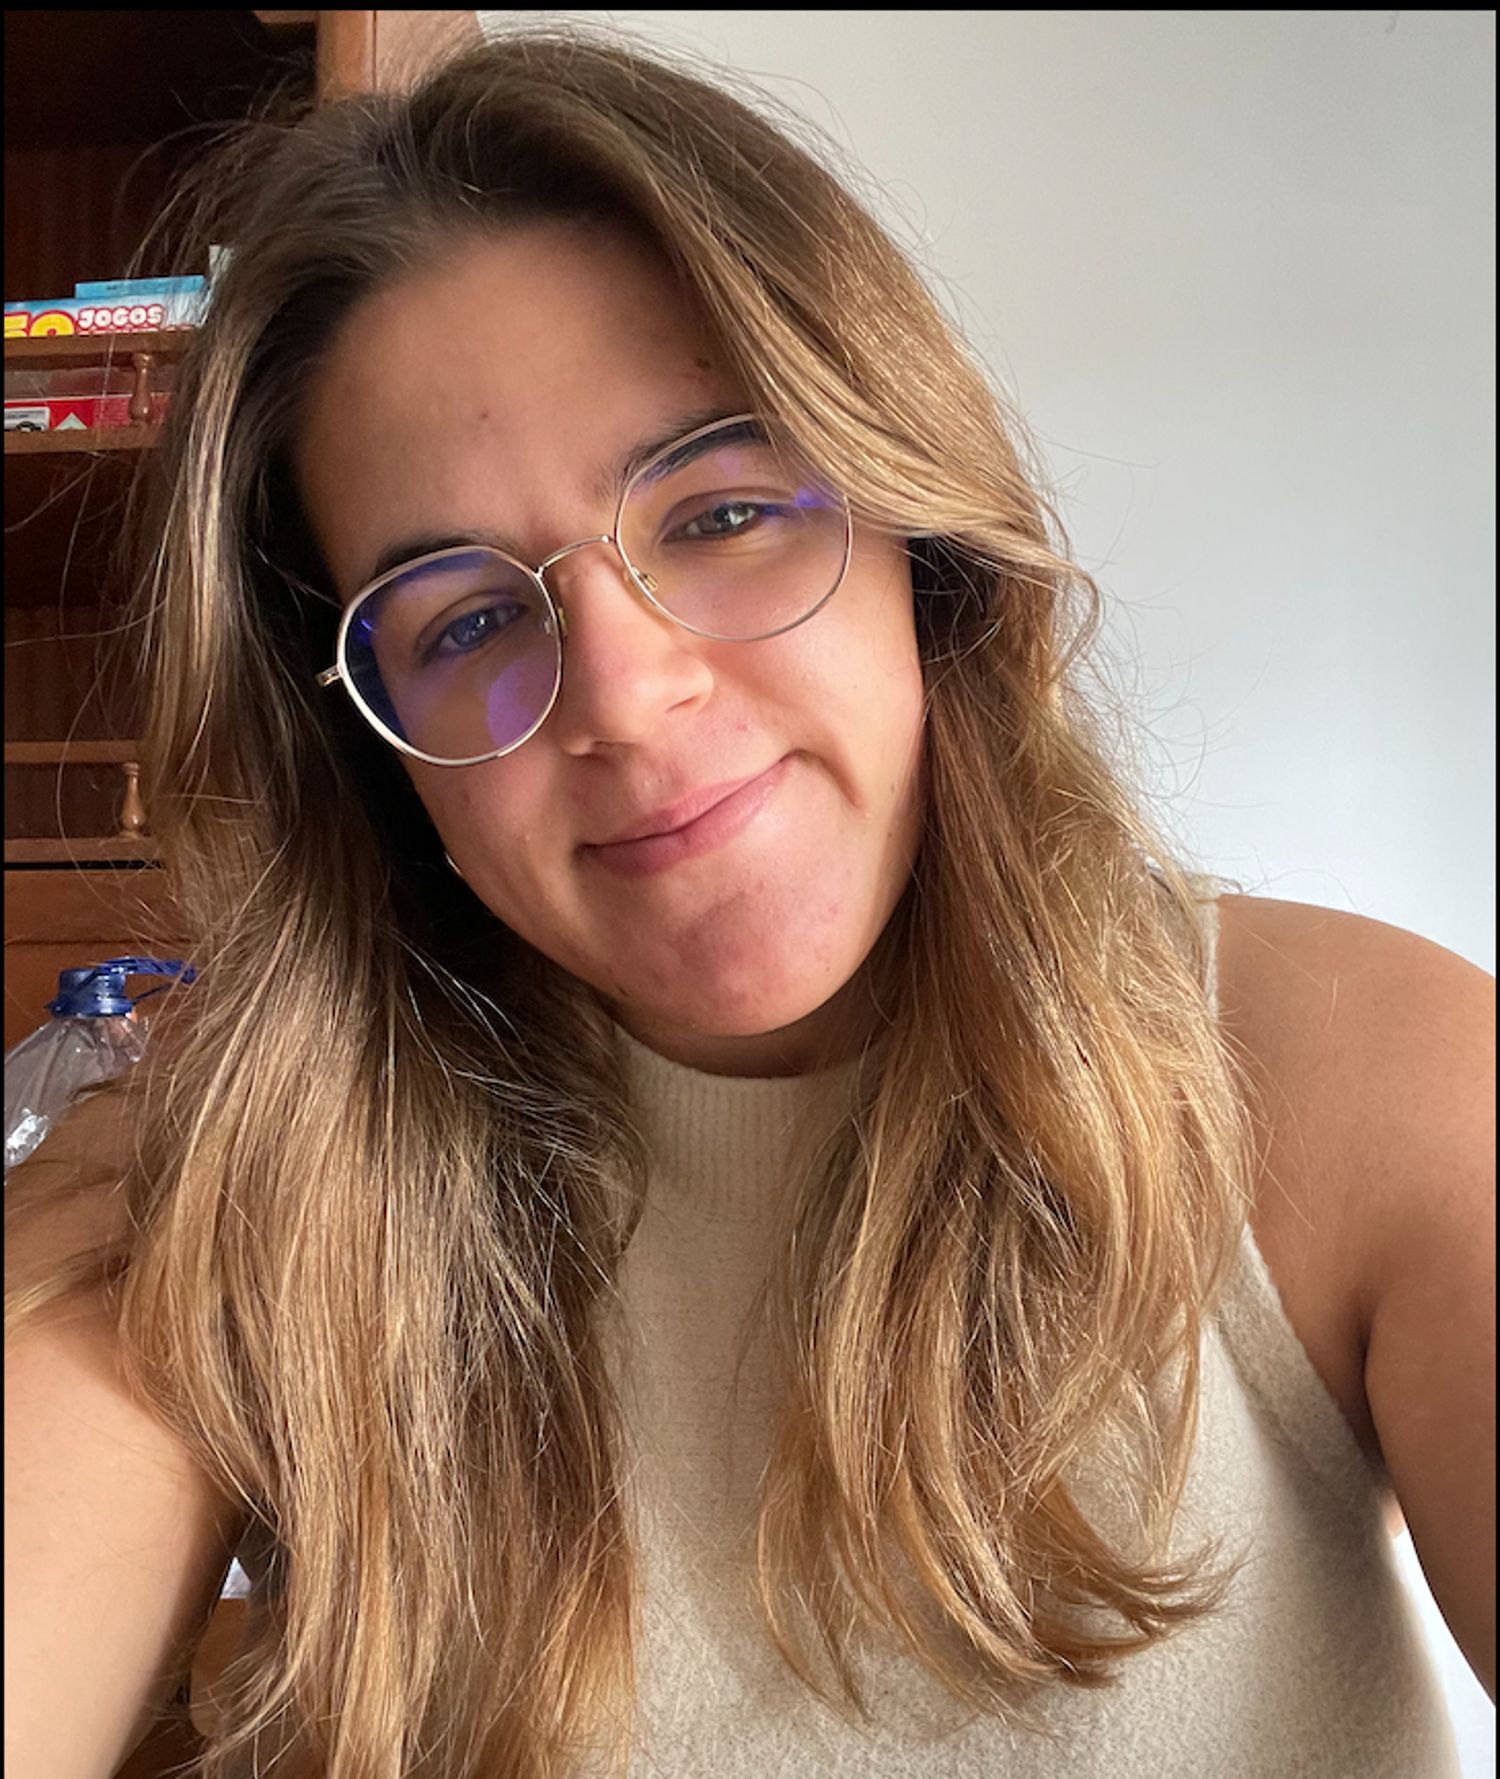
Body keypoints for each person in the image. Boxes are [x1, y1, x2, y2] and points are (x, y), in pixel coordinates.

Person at [4, 23, 1493, 1779]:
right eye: (464, 620)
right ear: (371, 754)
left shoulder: (1357, 1075)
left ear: (916, 533)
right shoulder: (229, 1193)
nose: (626, 699)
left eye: (716, 513)